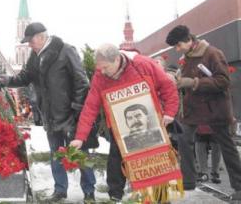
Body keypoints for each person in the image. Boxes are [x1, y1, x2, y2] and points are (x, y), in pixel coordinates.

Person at [0, 22, 97, 202]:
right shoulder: (35, 56)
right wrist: (7, 80)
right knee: (55, 153)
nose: (29, 44)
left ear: (42, 37)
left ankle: (89, 191)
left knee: (80, 154)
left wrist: (77, 108)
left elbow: (82, 81)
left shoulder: (65, 50)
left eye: (31, 40)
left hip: (70, 114)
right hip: (49, 115)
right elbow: (25, 77)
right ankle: (60, 190)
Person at [69, 43, 179, 202]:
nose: (102, 71)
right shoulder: (100, 75)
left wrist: (169, 112)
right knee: (115, 163)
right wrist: (80, 137)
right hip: (119, 127)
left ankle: (160, 198)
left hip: (150, 125)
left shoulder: (143, 64)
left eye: (106, 67)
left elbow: (168, 86)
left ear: (116, 59)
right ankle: (115, 197)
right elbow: (90, 106)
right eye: (100, 68)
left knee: (153, 165)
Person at [165, 24, 241, 200]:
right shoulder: (187, 57)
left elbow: (223, 81)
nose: (177, 50)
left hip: (215, 108)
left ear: (189, 40)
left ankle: (239, 186)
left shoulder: (213, 53)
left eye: (178, 45)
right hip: (194, 109)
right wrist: (178, 81)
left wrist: (193, 82)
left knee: (227, 146)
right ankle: (189, 181)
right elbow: (186, 81)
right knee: (184, 139)